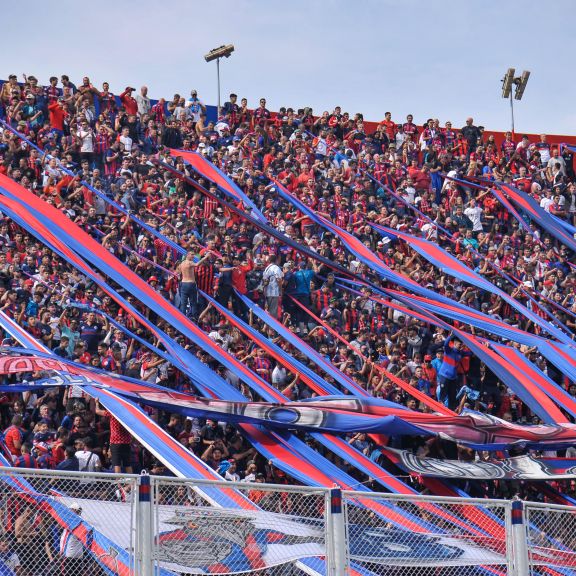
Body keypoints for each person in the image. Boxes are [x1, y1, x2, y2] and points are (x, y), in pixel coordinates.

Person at [59, 503, 84, 575]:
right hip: (78, 554)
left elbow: (65, 538)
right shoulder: (82, 521)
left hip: (69, 554)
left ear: (74, 510)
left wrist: (62, 552)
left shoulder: (71, 520)